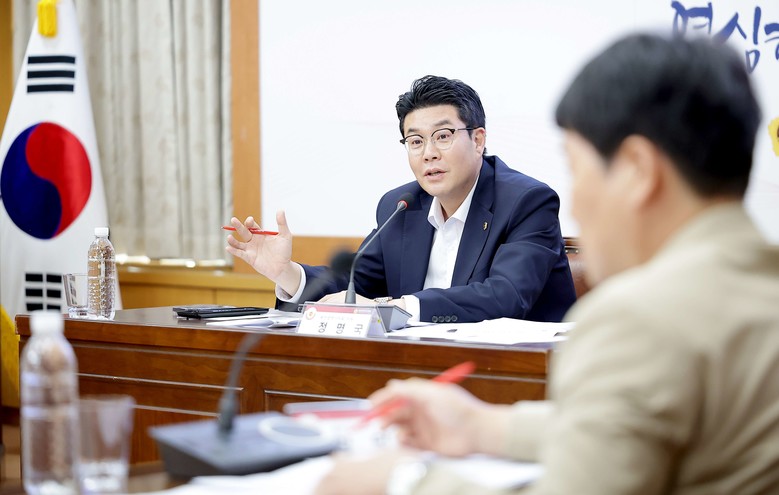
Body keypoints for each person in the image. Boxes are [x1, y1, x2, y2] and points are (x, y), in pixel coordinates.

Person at [314, 34, 779, 494]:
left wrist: (403, 480)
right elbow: (629, 426)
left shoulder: (638, 319)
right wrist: (482, 426)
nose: (575, 201)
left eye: (577, 169)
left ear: (638, 170)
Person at [227, 75, 576, 323]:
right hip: (418, 368)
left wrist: (396, 308)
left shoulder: (527, 202)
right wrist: (287, 272)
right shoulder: (402, 206)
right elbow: (355, 284)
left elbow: (506, 296)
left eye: (443, 136)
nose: (429, 153)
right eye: (416, 141)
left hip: (518, 374)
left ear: (478, 140)